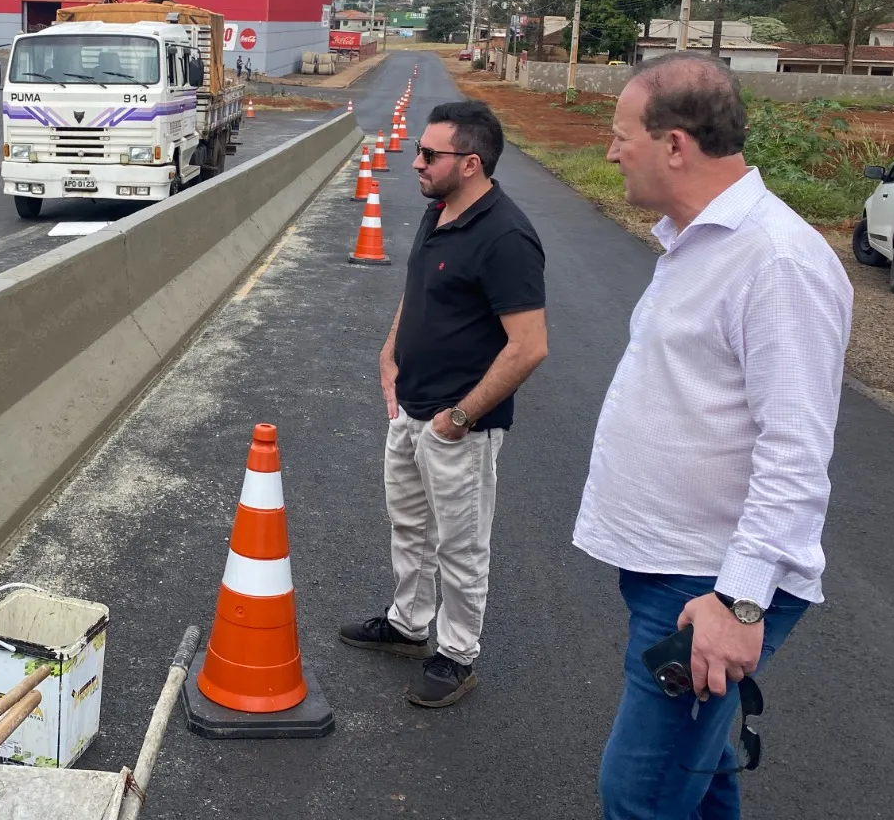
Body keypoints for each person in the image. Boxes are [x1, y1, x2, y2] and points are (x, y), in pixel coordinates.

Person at [574, 53, 851, 818]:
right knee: (701, 779)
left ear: (675, 144)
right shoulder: (699, 241)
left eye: (620, 133)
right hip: (679, 570)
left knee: (641, 793)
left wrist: (740, 604)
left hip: (712, 586)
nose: (608, 151)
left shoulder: (778, 262)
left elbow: (796, 454)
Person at [341, 100, 547, 707]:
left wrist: (460, 418)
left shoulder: (507, 237)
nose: (416, 162)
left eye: (430, 154)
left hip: (459, 424)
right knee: (408, 524)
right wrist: (390, 348)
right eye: (419, 150)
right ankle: (408, 624)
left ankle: (456, 654)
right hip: (409, 405)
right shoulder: (441, 211)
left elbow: (529, 346)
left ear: (472, 163)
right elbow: (421, 288)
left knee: (460, 543)